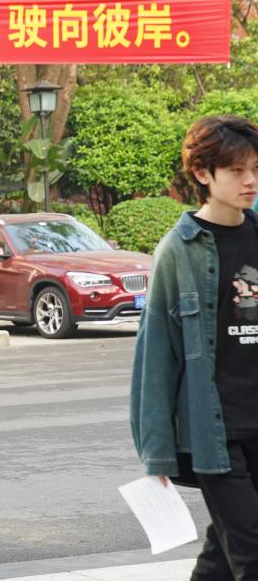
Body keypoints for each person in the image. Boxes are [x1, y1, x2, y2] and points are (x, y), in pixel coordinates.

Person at [131, 115, 258, 580]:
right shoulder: (178, 251)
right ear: (204, 174)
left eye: (255, 169)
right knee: (252, 552)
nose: (250, 181)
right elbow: (156, 357)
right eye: (237, 171)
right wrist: (156, 451)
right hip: (215, 432)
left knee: (222, 557)